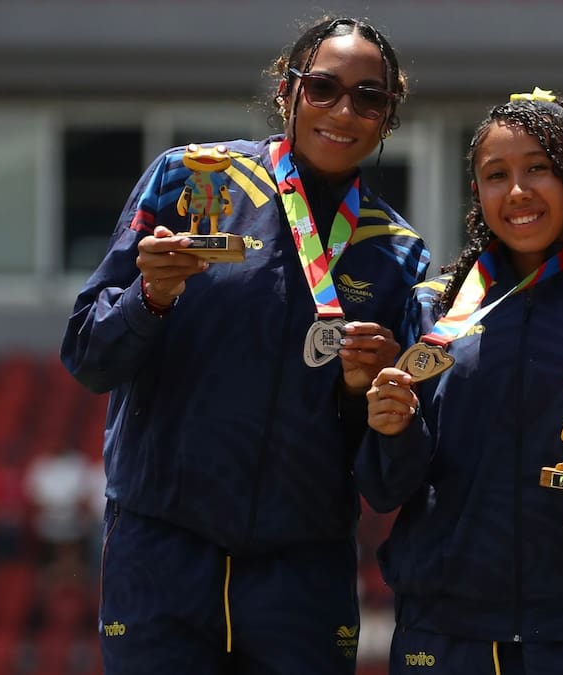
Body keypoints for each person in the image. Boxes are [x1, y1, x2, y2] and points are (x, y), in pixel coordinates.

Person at [60, 16, 429, 674]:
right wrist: (150, 298)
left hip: (302, 573)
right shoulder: (189, 180)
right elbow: (88, 355)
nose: (344, 111)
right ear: (287, 93)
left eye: (369, 97)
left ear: (388, 116)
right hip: (162, 552)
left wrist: (365, 392)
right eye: (323, 88)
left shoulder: (396, 251)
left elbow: (385, 474)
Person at [358, 88, 563, 675]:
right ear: (476, 191)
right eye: (496, 174)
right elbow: (387, 489)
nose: (517, 191)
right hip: (439, 637)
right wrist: (391, 429)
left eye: (539, 168)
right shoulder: (431, 313)